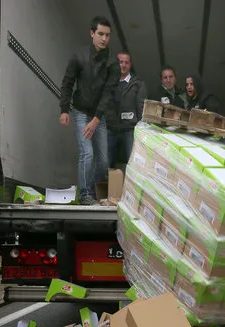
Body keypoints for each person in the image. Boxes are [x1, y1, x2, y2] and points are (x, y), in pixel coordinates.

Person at [59, 16, 119, 206]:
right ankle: (85, 193)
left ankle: (91, 189)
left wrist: (96, 120)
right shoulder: (79, 56)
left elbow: (108, 94)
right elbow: (67, 83)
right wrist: (64, 109)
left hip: (98, 117)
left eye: (107, 35)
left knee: (103, 161)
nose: (104, 38)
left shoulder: (113, 64)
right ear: (92, 33)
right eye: (100, 34)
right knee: (87, 153)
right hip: (80, 111)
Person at [106, 51, 146, 167]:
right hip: (111, 129)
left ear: (130, 65)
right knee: (107, 164)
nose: (123, 65)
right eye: (120, 62)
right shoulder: (108, 83)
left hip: (130, 130)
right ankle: (109, 185)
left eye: (126, 62)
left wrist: (141, 128)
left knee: (133, 163)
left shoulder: (138, 84)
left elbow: (141, 106)